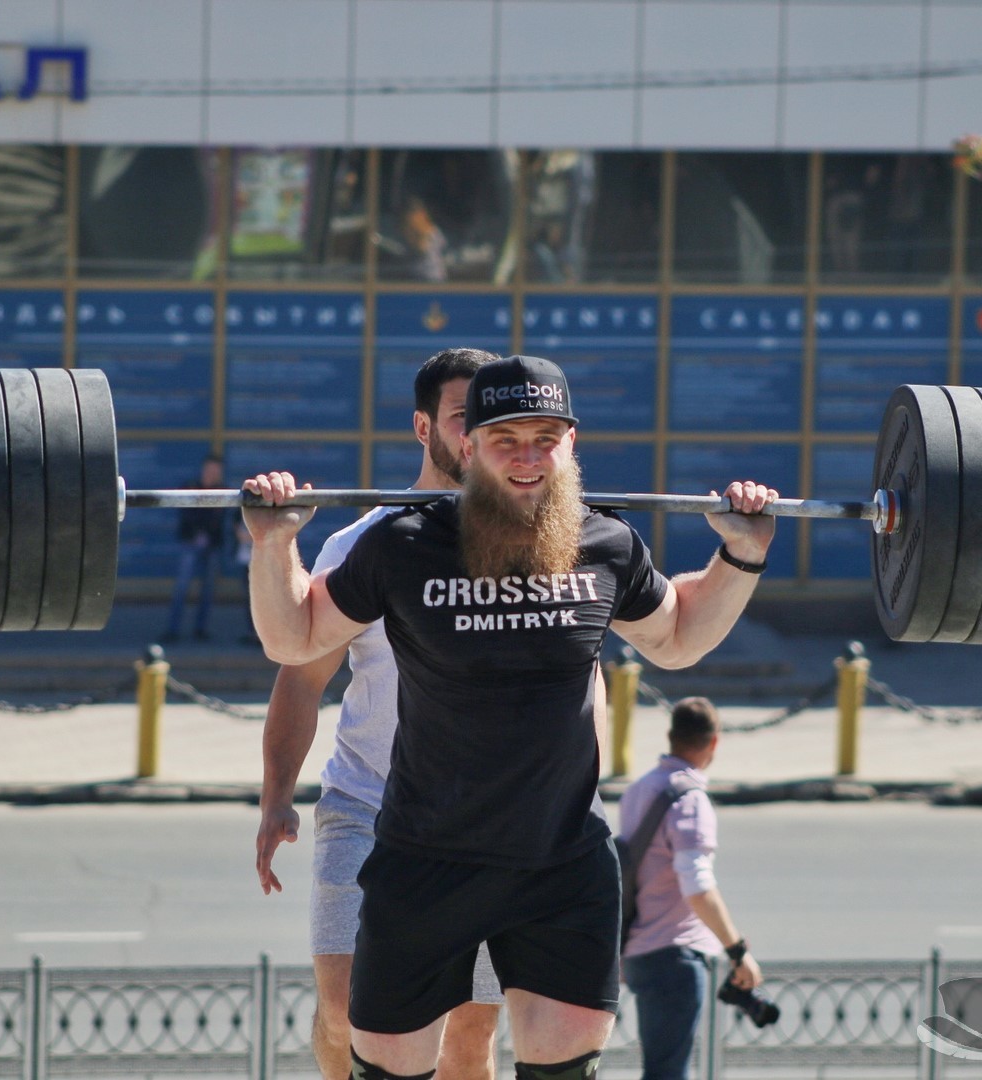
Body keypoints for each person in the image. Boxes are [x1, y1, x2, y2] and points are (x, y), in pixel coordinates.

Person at [242, 355, 778, 1080]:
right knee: (375, 1051)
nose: (528, 459)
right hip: (424, 858)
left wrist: (740, 555)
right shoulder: (398, 544)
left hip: (559, 863)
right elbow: (294, 643)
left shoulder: (604, 544)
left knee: (527, 1058)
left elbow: (678, 637)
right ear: (467, 445)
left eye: (545, 438)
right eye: (505, 439)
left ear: (571, 443)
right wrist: (274, 544)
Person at [256, 347, 507, 1080]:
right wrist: (276, 798)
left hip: (488, 825)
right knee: (345, 1011)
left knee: (467, 1037)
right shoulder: (359, 544)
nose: (476, 437)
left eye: (490, 421)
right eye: (463, 418)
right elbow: (301, 680)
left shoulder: (537, 545)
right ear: (423, 426)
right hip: (368, 806)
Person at [619, 697, 762, 1080]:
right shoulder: (690, 801)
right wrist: (737, 951)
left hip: (639, 950)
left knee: (661, 1069)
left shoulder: (638, 790)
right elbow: (697, 884)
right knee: (668, 1074)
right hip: (674, 958)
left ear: (670, 737)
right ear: (714, 743)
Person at [163, 454, 228, 643]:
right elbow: (187, 514)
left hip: (213, 545)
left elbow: (218, 518)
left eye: (216, 471)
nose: (212, 474)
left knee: (207, 590)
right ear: (203, 469)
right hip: (190, 543)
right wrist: (199, 530)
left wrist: (206, 530)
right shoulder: (190, 486)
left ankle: (201, 629)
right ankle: (173, 630)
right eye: (210, 469)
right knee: (181, 588)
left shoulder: (223, 490)